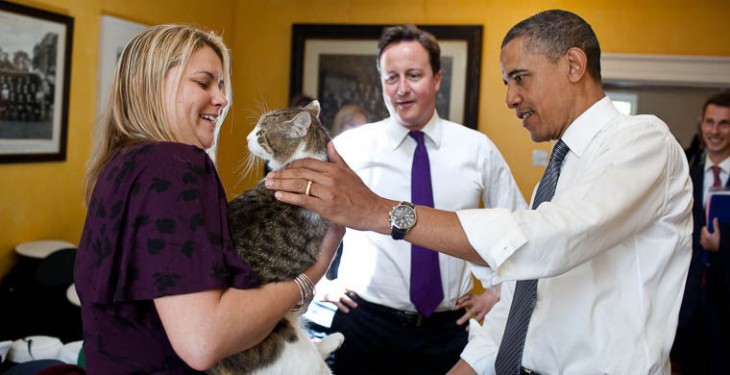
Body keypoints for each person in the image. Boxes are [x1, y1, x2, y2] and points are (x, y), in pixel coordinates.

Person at [264, 9, 693, 374]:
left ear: (573, 65)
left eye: (519, 78)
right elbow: (530, 285)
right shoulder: (565, 164)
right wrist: (471, 365)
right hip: (373, 326)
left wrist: (381, 212)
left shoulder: (642, 142)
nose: (510, 98)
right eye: (390, 76)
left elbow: (545, 242)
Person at [74, 24, 342, 374]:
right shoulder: (176, 165)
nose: (222, 99)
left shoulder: (120, 164)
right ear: (150, 86)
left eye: (221, 84)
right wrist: (313, 272)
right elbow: (203, 342)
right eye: (203, 83)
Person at [311, 24, 527, 375]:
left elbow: (518, 229)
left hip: (448, 332)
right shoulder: (349, 148)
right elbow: (306, 221)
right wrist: (319, 284)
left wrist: (499, 293)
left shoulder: (477, 150)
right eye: (391, 77)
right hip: (365, 326)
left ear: (437, 79)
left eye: (414, 75)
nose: (402, 89)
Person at [673, 92, 730, 374]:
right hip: (691, 302)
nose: (715, 131)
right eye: (710, 122)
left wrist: (724, 244)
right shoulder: (686, 176)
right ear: (701, 124)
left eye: (724, 124)